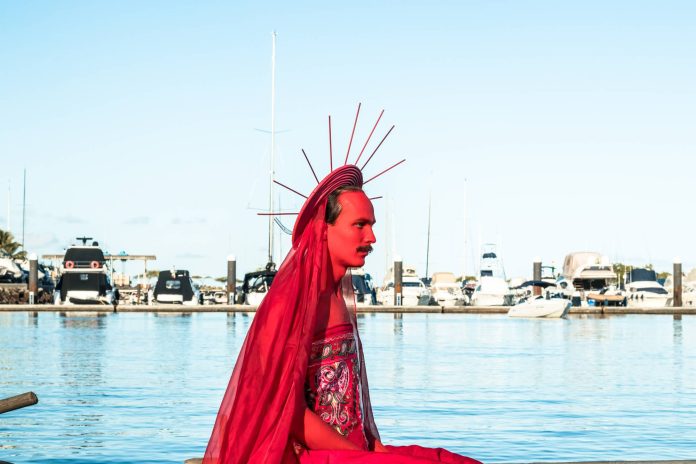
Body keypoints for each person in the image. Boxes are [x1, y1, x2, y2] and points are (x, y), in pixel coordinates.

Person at [203, 164, 481, 464]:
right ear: (324, 228)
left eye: (372, 225)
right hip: (309, 456)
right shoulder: (289, 304)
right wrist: (360, 455)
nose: (372, 237)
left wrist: (375, 450)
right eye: (360, 225)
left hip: (354, 451)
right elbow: (283, 410)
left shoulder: (340, 297)